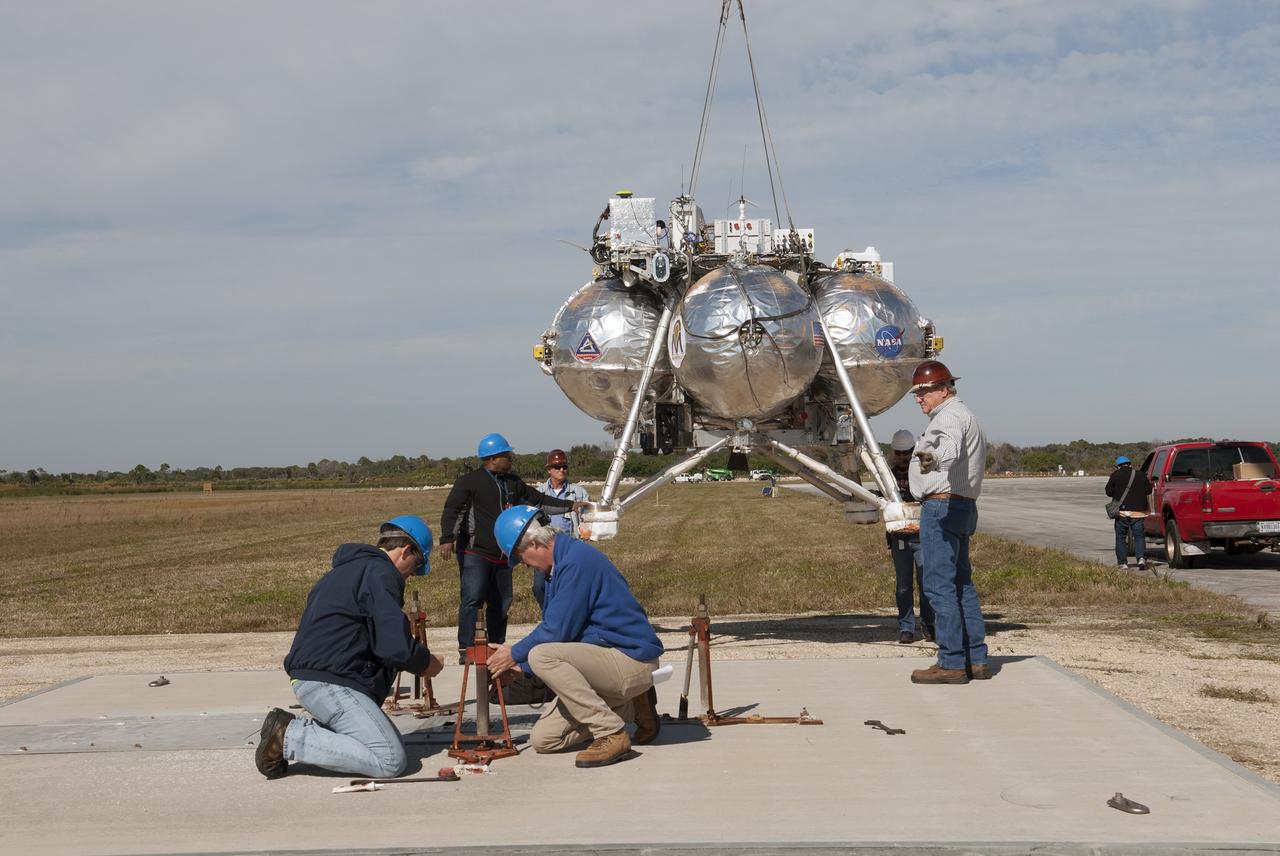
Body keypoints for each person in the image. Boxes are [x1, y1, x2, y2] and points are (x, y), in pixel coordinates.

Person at [255, 516, 444, 780]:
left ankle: (294, 734)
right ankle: (289, 736)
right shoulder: (380, 574)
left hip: (318, 677)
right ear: (406, 550)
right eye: (417, 564)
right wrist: (427, 663)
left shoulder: (348, 571)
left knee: (371, 744)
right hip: (330, 682)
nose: (413, 573)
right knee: (389, 759)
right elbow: (393, 646)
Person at [487, 505, 664, 768]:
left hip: (630, 660)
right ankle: (631, 707)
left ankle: (611, 733)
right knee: (544, 740)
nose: (523, 565)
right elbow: (567, 635)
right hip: (607, 661)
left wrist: (512, 655)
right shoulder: (558, 567)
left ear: (534, 543)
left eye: (519, 557)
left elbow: (557, 632)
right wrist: (520, 668)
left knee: (541, 655)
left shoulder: (576, 562)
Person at [439, 433, 587, 663]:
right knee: (473, 598)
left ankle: (496, 648)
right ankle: (466, 650)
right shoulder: (469, 482)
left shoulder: (513, 483)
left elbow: (538, 501)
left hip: (503, 555)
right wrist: (448, 537)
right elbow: (453, 510)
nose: (511, 458)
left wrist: (571, 505)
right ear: (492, 458)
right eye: (507, 455)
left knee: (501, 603)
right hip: (475, 552)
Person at [906, 360, 991, 684]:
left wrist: (933, 458)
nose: (919, 398)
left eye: (924, 391)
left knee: (939, 586)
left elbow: (947, 448)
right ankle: (975, 658)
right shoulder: (967, 415)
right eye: (916, 393)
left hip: (941, 507)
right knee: (960, 585)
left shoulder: (949, 417)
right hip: (963, 506)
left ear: (943, 389)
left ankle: (952, 662)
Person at [887, 428, 934, 644]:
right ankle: (906, 627)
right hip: (900, 537)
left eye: (907, 453)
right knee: (904, 585)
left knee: (926, 582)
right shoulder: (887, 474)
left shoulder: (923, 471)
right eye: (899, 453)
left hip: (923, 535)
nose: (903, 457)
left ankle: (929, 625)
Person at [532, 449, 590, 610]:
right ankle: (549, 615)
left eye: (564, 466)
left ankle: (565, 618)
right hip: (543, 548)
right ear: (549, 469)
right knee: (539, 587)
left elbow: (587, 521)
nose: (562, 470)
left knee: (569, 587)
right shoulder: (538, 493)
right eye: (557, 467)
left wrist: (584, 541)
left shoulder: (579, 492)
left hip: (569, 547)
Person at [1106, 455, 1153, 571]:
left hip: (1121, 513)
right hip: (1138, 513)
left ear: (1118, 467)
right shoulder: (1140, 475)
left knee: (1121, 538)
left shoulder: (1115, 475)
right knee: (1139, 537)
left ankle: (1123, 563)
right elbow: (1149, 490)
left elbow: (1108, 492)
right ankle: (1141, 559)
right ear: (1130, 465)